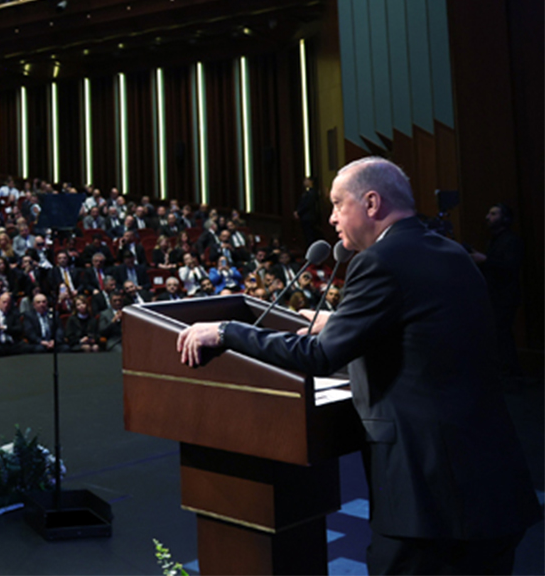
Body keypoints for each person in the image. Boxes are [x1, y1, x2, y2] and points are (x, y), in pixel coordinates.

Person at [178, 157, 540, 574]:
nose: (330, 218)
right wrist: (344, 322)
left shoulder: (379, 262)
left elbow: (318, 356)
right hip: (492, 486)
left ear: (371, 202)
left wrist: (227, 331)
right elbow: (429, 334)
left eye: (336, 204)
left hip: (428, 501)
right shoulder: (450, 252)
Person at [469, 203, 525, 377]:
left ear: (505, 218)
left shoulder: (511, 241)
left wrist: (485, 260)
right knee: (499, 334)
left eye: (493, 214)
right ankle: (508, 372)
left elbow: (510, 266)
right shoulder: (494, 240)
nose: (488, 217)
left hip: (505, 295)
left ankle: (511, 373)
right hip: (495, 294)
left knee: (502, 334)